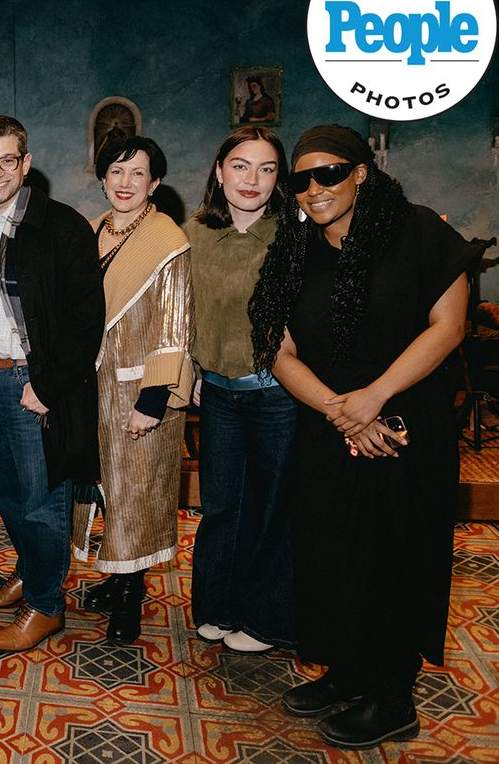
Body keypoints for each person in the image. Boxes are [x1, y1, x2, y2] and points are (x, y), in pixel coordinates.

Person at [248, 124, 477, 750]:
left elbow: (447, 325)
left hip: (405, 430)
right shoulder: (297, 251)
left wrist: (374, 398)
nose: (314, 188)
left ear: (361, 173)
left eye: (329, 173)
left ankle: (392, 696)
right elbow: (278, 346)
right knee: (330, 554)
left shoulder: (417, 231)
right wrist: (341, 411)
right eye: (301, 179)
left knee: (394, 556)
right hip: (330, 430)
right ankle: (349, 670)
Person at [0, 115, 103, 653]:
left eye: (6, 160)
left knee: (41, 500)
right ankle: (29, 572)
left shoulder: (62, 227)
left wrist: (49, 385)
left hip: (29, 384)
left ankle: (45, 604)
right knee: (9, 495)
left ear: (26, 162)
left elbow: (88, 321)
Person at [73, 135, 193, 646]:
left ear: (155, 182)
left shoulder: (167, 241)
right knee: (101, 486)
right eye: (116, 172)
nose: (125, 183)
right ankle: (117, 578)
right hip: (91, 386)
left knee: (137, 492)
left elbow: (175, 326)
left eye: (137, 173)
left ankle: (129, 599)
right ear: (103, 179)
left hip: (137, 390)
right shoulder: (92, 230)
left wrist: (153, 401)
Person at [186, 127, 297, 654]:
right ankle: (217, 607)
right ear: (219, 170)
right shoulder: (195, 233)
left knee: (271, 508)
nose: (251, 179)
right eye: (240, 165)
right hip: (218, 394)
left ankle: (266, 619)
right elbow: (181, 312)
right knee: (222, 506)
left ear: (279, 179)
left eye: (266, 168)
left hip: (277, 394)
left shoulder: (294, 233)